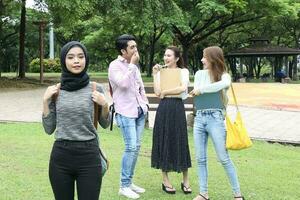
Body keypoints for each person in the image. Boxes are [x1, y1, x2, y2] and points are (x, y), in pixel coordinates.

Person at [42, 41, 110, 200]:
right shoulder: (55, 91)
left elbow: (105, 124)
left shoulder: (95, 88)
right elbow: (49, 129)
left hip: (89, 156)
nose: (76, 61)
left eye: (80, 57)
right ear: (64, 61)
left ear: (86, 59)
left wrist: (105, 104)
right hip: (61, 157)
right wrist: (45, 101)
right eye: (71, 57)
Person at [190, 46, 245, 200]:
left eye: (204, 57)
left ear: (213, 58)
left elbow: (222, 85)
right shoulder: (200, 74)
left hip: (215, 118)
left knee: (223, 158)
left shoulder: (224, 76)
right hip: (199, 117)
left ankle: (237, 194)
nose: (202, 60)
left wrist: (202, 90)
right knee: (200, 158)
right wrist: (199, 90)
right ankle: (203, 193)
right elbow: (197, 90)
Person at [108, 34, 149, 199]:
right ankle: (123, 185)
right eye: (132, 47)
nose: (135, 50)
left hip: (139, 110)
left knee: (136, 147)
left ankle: (129, 182)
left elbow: (139, 86)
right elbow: (123, 84)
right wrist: (132, 65)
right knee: (130, 147)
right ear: (123, 50)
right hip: (125, 112)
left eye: (135, 46)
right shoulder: (114, 66)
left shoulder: (135, 67)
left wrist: (145, 104)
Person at [151, 46, 192, 195]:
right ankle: (165, 179)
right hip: (164, 108)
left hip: (177, 107)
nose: (166, 58)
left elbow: (182, 88)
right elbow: (157, 93)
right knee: (164, 139)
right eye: (165, 55)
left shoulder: (183, 72)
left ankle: (186, 180)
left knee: (180, 140)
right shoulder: (160, 72)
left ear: (176, 58)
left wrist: (166, 91)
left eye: (169, 55)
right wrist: (155, 75)